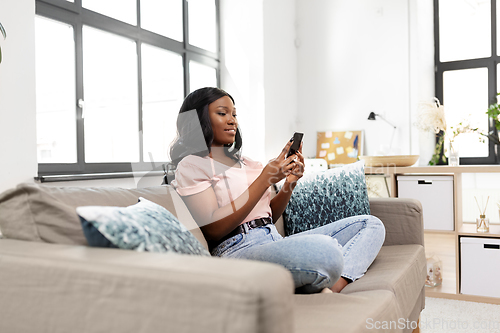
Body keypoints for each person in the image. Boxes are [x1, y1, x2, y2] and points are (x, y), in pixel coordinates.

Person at [170, 87, 385, 293]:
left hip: (273, 240)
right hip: (237, 250)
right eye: (222, 113)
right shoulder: (192, 164)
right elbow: (214, 228)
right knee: (327, 250)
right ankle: (316, 278)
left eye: (234, 114)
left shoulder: (247, 163)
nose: (232, 120)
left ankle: (334, 285)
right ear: (198, 121)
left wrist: (290, 182)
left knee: (371, 225)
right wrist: (264, 179)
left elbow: (268, 217)